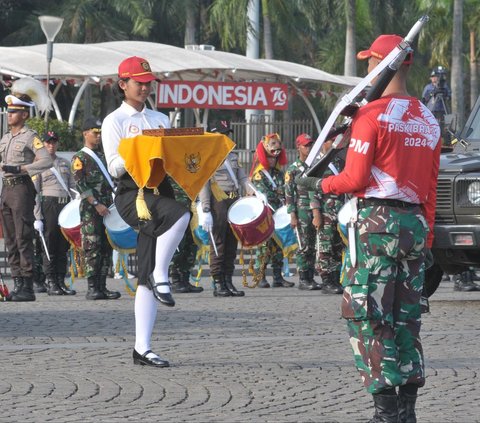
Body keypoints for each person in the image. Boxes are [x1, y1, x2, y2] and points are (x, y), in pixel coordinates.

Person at [296, 34, 441, 422]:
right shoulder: (428, 119)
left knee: (367, 314)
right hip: (413, 224)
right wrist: (424, 239)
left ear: (381, 63)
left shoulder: (371, 115)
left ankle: (386, 411)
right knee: (407, 316)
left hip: (376, 224)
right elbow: (430, 187)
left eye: (369, 62)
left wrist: (317, 184)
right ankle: (408, 409)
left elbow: (355, 179)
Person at [102, 56, 190, 368]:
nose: (144, 88)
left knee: (143, 277)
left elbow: (173, 160)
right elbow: (114, 167)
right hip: (132, 194)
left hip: (159, 191)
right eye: (139, 82)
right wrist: (141, 149)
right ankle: (161, 274)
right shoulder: (115, 121)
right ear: (123, 84)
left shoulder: (161, 119)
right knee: (181, 215)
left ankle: (142, 348)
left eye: (148, 83)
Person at [0, 77, 53, 302]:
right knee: (10, 239)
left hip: (22, 188)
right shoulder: (4, 138)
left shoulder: (31, 137)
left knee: (23, 236)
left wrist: (22, 168)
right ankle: (18, 283)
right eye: (9, 111)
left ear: (24, 114)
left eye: (14, 111)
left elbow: (46, 161)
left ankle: (28, 285)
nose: (9, 114)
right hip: (6, 190)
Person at [198, 120, 249, 297]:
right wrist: (205, 209)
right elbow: (203, 183)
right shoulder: (208, 157)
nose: (226, 137)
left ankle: (228, 280)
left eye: (227, 134)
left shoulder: (232, 155)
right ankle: (218, 282)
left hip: (234, 199)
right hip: (218, 200)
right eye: (223, 134)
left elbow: (242, 178)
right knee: (218, 241)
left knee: (232, 241)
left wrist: (253, 191)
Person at [72, 117, 120, 301]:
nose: (98, 136)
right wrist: (95, 203)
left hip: (107, 207)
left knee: (106, 246)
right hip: (91, 210)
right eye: (95, 132)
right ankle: (92, 287)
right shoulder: (80, 157)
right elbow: (80, 184)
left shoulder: (102, 157)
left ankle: (102, 285)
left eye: (100, 133)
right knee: (93, 246)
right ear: (85, 133)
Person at [32, 130, 76, 296]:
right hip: (48, 205)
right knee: (49, 245)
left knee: (62, 245)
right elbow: (35, 193)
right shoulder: (38, 164)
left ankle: (60, 280)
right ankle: (50, 281)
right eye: (48, 142)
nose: (51, 145)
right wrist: (37, 217)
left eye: (54, 142)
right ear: (43, 144)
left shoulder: (64, 163)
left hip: (64, 207)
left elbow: (72, 187)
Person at [250, 133, 294, 288]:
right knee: (264, 247)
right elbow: (265, 194)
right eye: (270, 156)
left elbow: (285, 189)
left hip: (279, 214)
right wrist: (279, 195)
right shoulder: (259, 175)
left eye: (275, 157)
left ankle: (277, 277)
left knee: (278, 247)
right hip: (266, 215)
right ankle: (259, 276)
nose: (273, 158)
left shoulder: (279, 174)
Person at [284, 133, 320, 290]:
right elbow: (288, 194)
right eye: (306, 145)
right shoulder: (292, 170)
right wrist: (292, 215)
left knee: (312, 245)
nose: (309, 148)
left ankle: (311, 277)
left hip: (315, 207)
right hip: (301, 209)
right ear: (298, 147)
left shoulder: (315, 166)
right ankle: (303, 279)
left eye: (310, 145)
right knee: (303, 245)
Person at [311, 139, 344, 295]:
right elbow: (313, 191)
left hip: (340, 211)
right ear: (323, 143)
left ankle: (336, 279)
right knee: (325, 248)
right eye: (329, 141)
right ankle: (326, 280)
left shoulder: (339, 161)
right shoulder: (318, 164)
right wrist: (316, 213)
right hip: (325, 212)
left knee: (338, 248)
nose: (332, 143)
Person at [169, 177, 203, 294]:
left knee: (191, 244)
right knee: (178, 245)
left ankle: (185, 278)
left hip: (192, 206)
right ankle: (175, 280)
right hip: (177, 206)